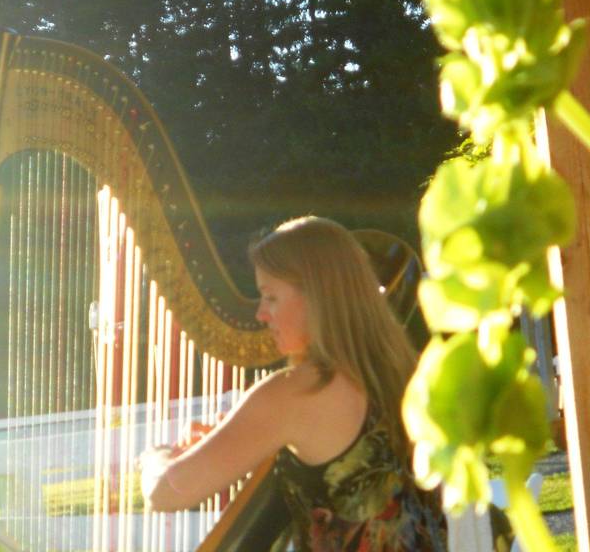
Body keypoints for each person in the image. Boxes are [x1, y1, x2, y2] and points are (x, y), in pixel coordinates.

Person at [140, 216, 448, 550]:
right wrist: (231, 436)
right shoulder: (403, 369)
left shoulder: (297, 391)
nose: (260, 314)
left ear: (317, 297)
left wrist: (156, 459)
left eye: (270, 297)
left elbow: (165, 493)